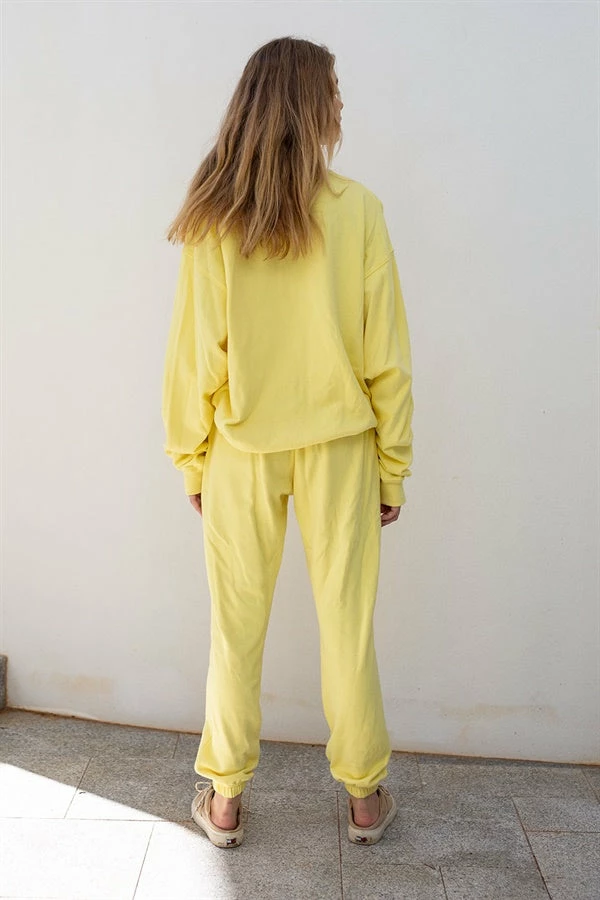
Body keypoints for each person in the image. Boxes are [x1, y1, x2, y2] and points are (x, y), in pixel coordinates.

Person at [161, 36, 414, 849]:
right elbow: (387, 356)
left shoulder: (216, 218)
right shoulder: (359, 210)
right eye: (332, 92)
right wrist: (393, 467)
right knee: (348, 626)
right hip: (342, 447)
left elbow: (195, 355)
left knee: (233, 627)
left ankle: (225, 802)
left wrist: (192, 456)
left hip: (241, 449)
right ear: (311, 106)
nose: (341, 106)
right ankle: (365, 800)